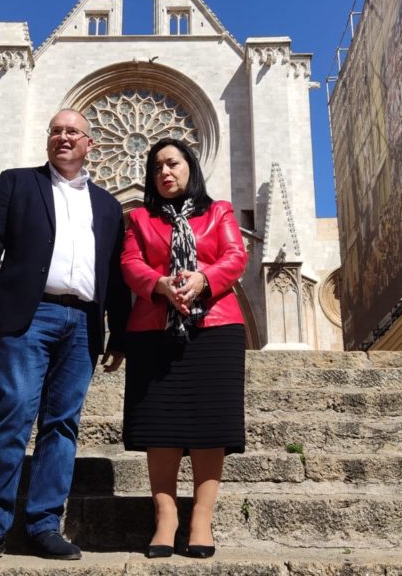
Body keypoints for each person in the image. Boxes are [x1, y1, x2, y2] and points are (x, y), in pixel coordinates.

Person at [0, 109, 130, 564]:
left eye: (73, 131)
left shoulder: (109, 206)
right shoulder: (17, 183)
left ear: (90, 143)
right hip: (29, 315)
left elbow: (115, 271)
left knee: (62, 424)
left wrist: (121, 335)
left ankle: (43, 525)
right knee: (13, 412)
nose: (63, 137)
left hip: (84, 325)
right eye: (56, 131)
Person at [120, 138, 248, 559]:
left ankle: (201, 520)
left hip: (214, 327)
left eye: (172, 163)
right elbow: (130, 263)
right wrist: (159, 284)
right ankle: (166, 517)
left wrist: (203, 280)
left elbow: (235, 255)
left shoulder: (219, 211)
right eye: (156, 168)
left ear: (190, 165)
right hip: (154, 328)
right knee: (161, 427)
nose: (165, 173)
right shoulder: (139, 218)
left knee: (211, 427)